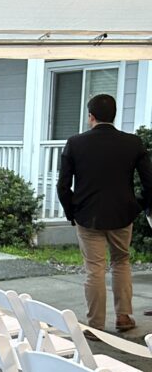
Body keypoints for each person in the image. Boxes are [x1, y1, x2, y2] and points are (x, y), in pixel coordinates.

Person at [56, 93, 152, 334]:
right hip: (122, 215)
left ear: (91, 116)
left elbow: (62, 185)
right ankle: (123, 317)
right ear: (114, 115)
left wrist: (71, 212)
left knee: (94, 268)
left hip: (88, 217)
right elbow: (150, 183)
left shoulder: (75, 143)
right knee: (121, 262)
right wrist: (138, 205)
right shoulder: (133, 143)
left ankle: (96, 326)